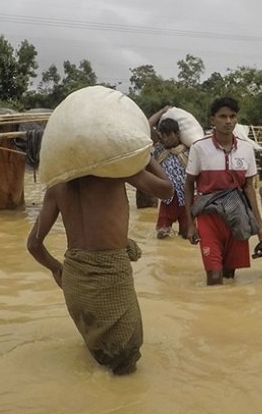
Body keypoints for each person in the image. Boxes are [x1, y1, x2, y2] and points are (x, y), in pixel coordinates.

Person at [26, 156, 174, 375]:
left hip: (75, 284)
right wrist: (145, 154)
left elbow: (34, 244)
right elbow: (167, 190)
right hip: (111, 279)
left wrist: (57, 269)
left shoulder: (58, 187)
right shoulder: (118, 172)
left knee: (100, 358)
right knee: (126, 363)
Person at [184, 97, 262, 286]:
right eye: (223, 116)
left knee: (229, 275)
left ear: (236, 119)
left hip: (237, 215)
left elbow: (249, 188)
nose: (228, 121)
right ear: (213, 120)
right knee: (214, 277)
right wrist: (190, 224)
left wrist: (261, 226)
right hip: (208, 217)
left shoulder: (246, 149)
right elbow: (188, 185)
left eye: (232, 116)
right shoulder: (199, 148)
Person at [151, 117, 190, 239]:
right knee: (162, 234)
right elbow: (148, 126)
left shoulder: (188, 151)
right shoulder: (160, 150)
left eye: (168, 135)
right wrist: (162, 111)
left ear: (177, 134)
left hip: (186, 200)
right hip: (168, 199)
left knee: (186, 236)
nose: (165, 139)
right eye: (163, 135)